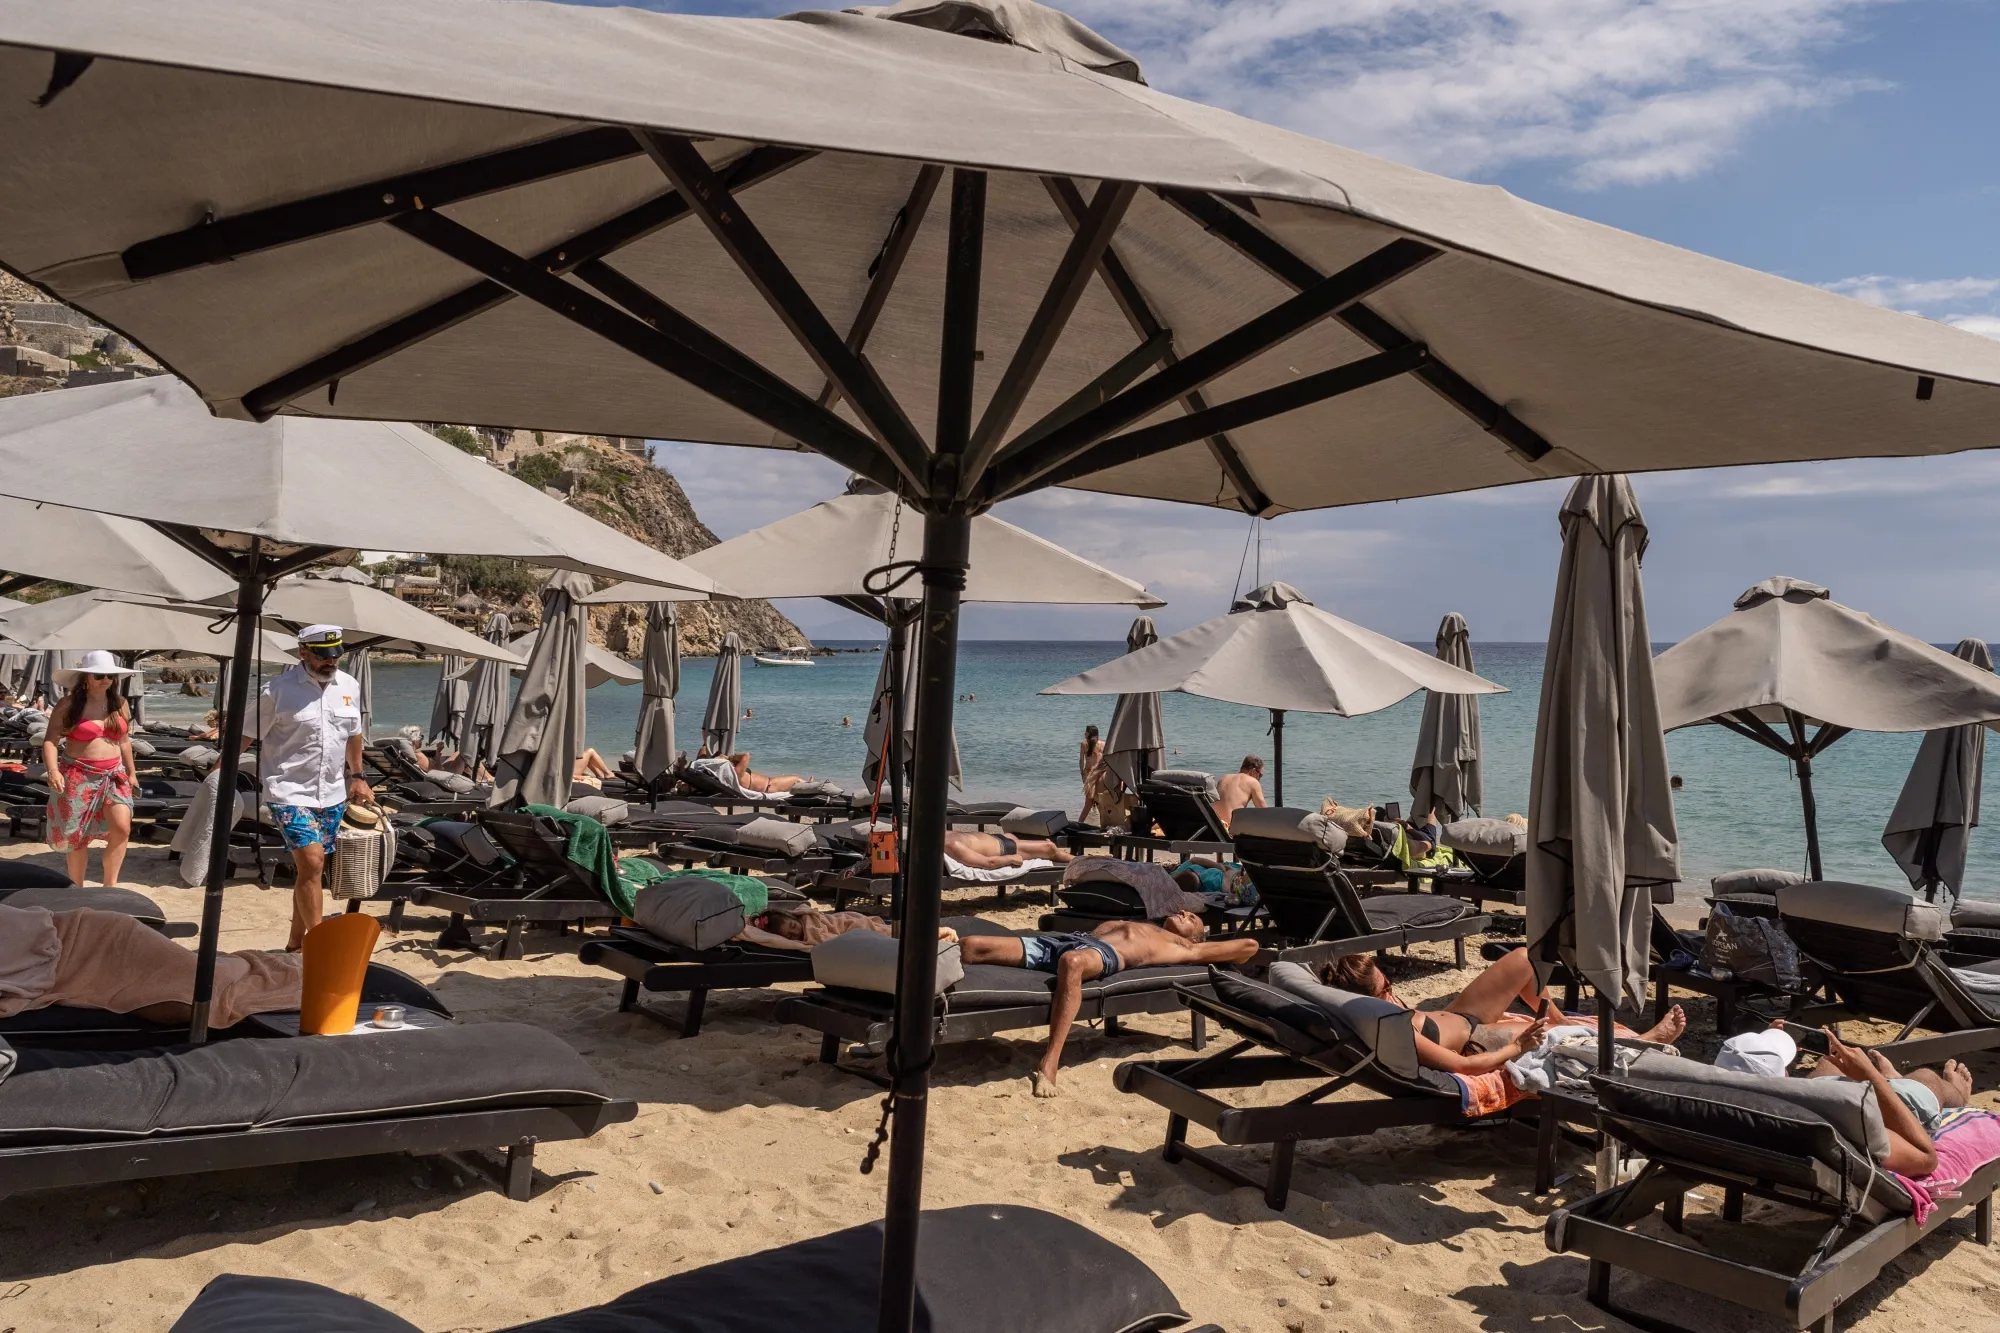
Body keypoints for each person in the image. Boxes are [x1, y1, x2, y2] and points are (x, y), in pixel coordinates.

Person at [959, 913, 1259, 1096]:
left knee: (1072, 963)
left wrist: (1200, 946)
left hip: (1101, 953)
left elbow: (1250, 947)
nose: (1184, 912)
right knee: (971, 945)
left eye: (1192, 918)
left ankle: (1049, 1063)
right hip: (1065, 940)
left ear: (1196, 936)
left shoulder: (1184, 949)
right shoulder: (1148, 926)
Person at [1321, 948, 1688, 1075]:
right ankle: (1642, 1041)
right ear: (1369, 998)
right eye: (1386, 989)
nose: (1392, 992)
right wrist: (1518, 1048)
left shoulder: (1373, 1010)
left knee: (1525, 959)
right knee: (1559, 1040)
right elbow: (1464, 1067)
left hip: (1462, 1014)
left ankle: (1563, 1019)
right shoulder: (1395, 1029)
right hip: (1474, 1040)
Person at [251, 625, 373, 951]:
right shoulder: (276, 691)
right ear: (303, 652)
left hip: (332, 793)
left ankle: (294, 944)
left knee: (309, 872)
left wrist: (358, 775)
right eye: (323, 655)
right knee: (314, 862)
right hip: (287, 790)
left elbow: (354, 733)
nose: (331, 660)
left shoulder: (350, 685)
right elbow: (247, 732)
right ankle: (318, 947)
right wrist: (220, 769)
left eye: (336, 654)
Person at [40, 651, 140, 888]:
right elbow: (50, 740)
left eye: (109, 675)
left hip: (114, 775)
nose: (105, 679)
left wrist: (132, 772)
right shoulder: (69, 705)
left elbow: (124, 741)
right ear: (85, 677)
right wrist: (53, 770)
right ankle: (77, 886)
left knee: (122, 828)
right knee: (77, 836)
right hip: (78, 775)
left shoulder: (120, 703)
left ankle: (110, 886)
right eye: (98, 675)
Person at [1808, 1029, 1949, 1175]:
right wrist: (1871, 1076)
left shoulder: (1783, 1099)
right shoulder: (1846, 1130)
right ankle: (1957, 1088)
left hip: (1817, 1095)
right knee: (1927, 1077)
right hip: (1883, 1113)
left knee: (1829, 1063)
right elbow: (1927, 1160)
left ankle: (1888, 1077)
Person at [943, 828, 1074, 868]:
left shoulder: (940, 833)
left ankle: (1078, 858)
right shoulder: (952, 845)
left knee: (1012, 835)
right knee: (1049, 848)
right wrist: (1011, 858)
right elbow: (988, 863)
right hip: (1005, 848)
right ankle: (1079, 860)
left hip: (997, 838)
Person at [1214, 755, 1267, 828]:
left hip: (1213, 824)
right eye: (1260, 775)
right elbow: (1264, 813)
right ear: (1253, 771)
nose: (1259, 779)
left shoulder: (1224, 778)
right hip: (1229, 828)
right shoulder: (1253, 782)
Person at [730, 752, 810, 793]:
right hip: (770, 786)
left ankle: (809, 785)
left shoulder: (736, 774)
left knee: (797, 782)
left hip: (770, 785)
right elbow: (746, 755)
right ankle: (811, 786)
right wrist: (730, 757)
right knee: (796, 779)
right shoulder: (738, 773)